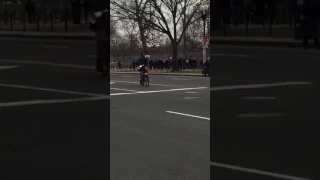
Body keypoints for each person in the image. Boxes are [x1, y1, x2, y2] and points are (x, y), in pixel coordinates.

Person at [87, 0, 109, 75]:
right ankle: (102, 65)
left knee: (102, 45)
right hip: (101, 23)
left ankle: (102, 65)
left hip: (103, 23)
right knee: (102, 45)